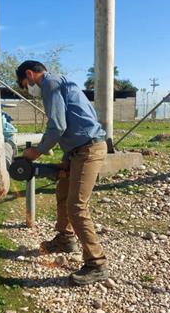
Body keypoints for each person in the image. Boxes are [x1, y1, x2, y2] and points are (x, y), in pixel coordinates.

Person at [15, 60, 109, 285]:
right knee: (63, 192)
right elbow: (75, 121)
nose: (29, 90)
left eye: (24, 85)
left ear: (30, 74)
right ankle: (65, 239)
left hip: (88, 149)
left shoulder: (50, 84)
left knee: (76, 206)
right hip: (77, 149)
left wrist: (36, 152)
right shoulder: (62, 83)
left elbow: (58, 126)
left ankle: (97, 264)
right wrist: (65, 159)